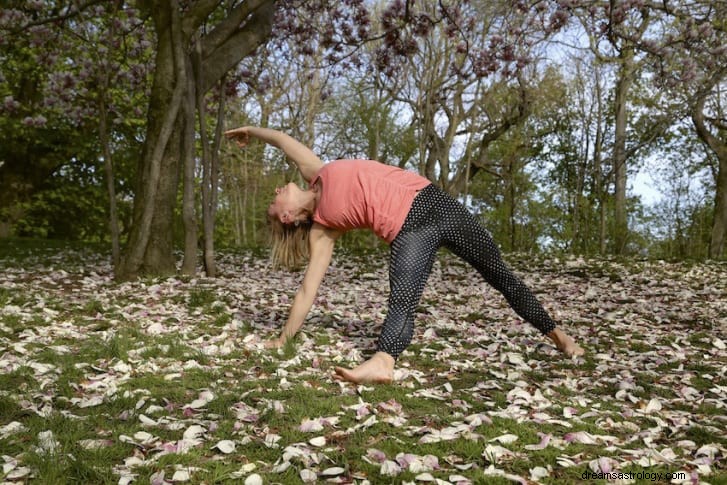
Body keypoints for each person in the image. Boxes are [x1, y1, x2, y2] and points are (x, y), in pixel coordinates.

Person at [224, 126, 585, 384]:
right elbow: (308, 290)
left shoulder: (315, 172)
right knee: (402, 298)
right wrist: (285, 338)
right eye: (275, 201)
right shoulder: (323, 229)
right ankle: (383, 361)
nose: (276, 189)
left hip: (437, 203)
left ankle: (559, 337)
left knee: (500, 275)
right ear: (287, 217)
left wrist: (250, 131)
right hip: (408, 231)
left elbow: (283, 141)